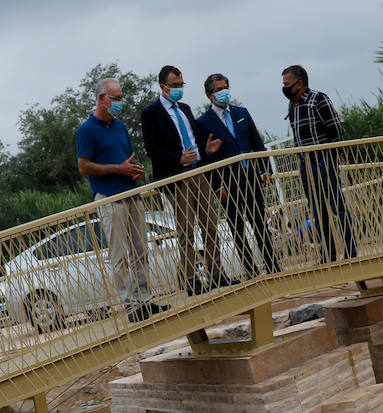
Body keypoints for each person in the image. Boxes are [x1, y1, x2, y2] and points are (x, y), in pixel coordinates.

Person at [140, 65, 231, 296]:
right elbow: (152, 149)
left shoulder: (185, 109)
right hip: (177, 177)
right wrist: (178, 159)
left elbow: (195, 138)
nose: (179, 89)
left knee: (210, 225)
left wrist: (207, 150)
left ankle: (216, 274)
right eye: (175, 85)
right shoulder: (151, 114)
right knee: (185, 231)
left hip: (199, 173)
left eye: (181, 84)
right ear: (163, 87)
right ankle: (191, 280)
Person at [76, 76, 153, 321]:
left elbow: (128, 159)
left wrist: (136, 170)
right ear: (102, 99)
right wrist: (117, 169)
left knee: (141, 250)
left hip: (132, 194)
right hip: (109, 198)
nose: (120, 102)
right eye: (116, 98)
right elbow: (84, 167)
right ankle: (130, 306)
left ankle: (146, 300)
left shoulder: (119, 126)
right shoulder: (87, 130)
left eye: (121, 97)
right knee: (120, 255)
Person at [196, 73, 281, 277]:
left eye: (225, 87)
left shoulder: (241, 112)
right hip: (227, 183)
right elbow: (206, 159)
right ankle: (250, 270)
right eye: (218, 89)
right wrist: (217, 186)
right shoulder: (202, 122)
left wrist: (265, 170)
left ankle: (273, 266)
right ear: (209, 95)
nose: (223, 92)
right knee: (238, 229)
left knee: (260, 223)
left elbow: (257, 143)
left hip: (250, 177)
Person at [282, 64, 358, 264]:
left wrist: (336, 154)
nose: (285, 88)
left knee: (337, 207)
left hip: (325, 160)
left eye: (287, 84)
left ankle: (351, 252)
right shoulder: (293, 105)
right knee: (318, 210)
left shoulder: (318, 98)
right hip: (306, 164)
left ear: (299, 84)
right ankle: (328, 254)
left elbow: (335, 128)